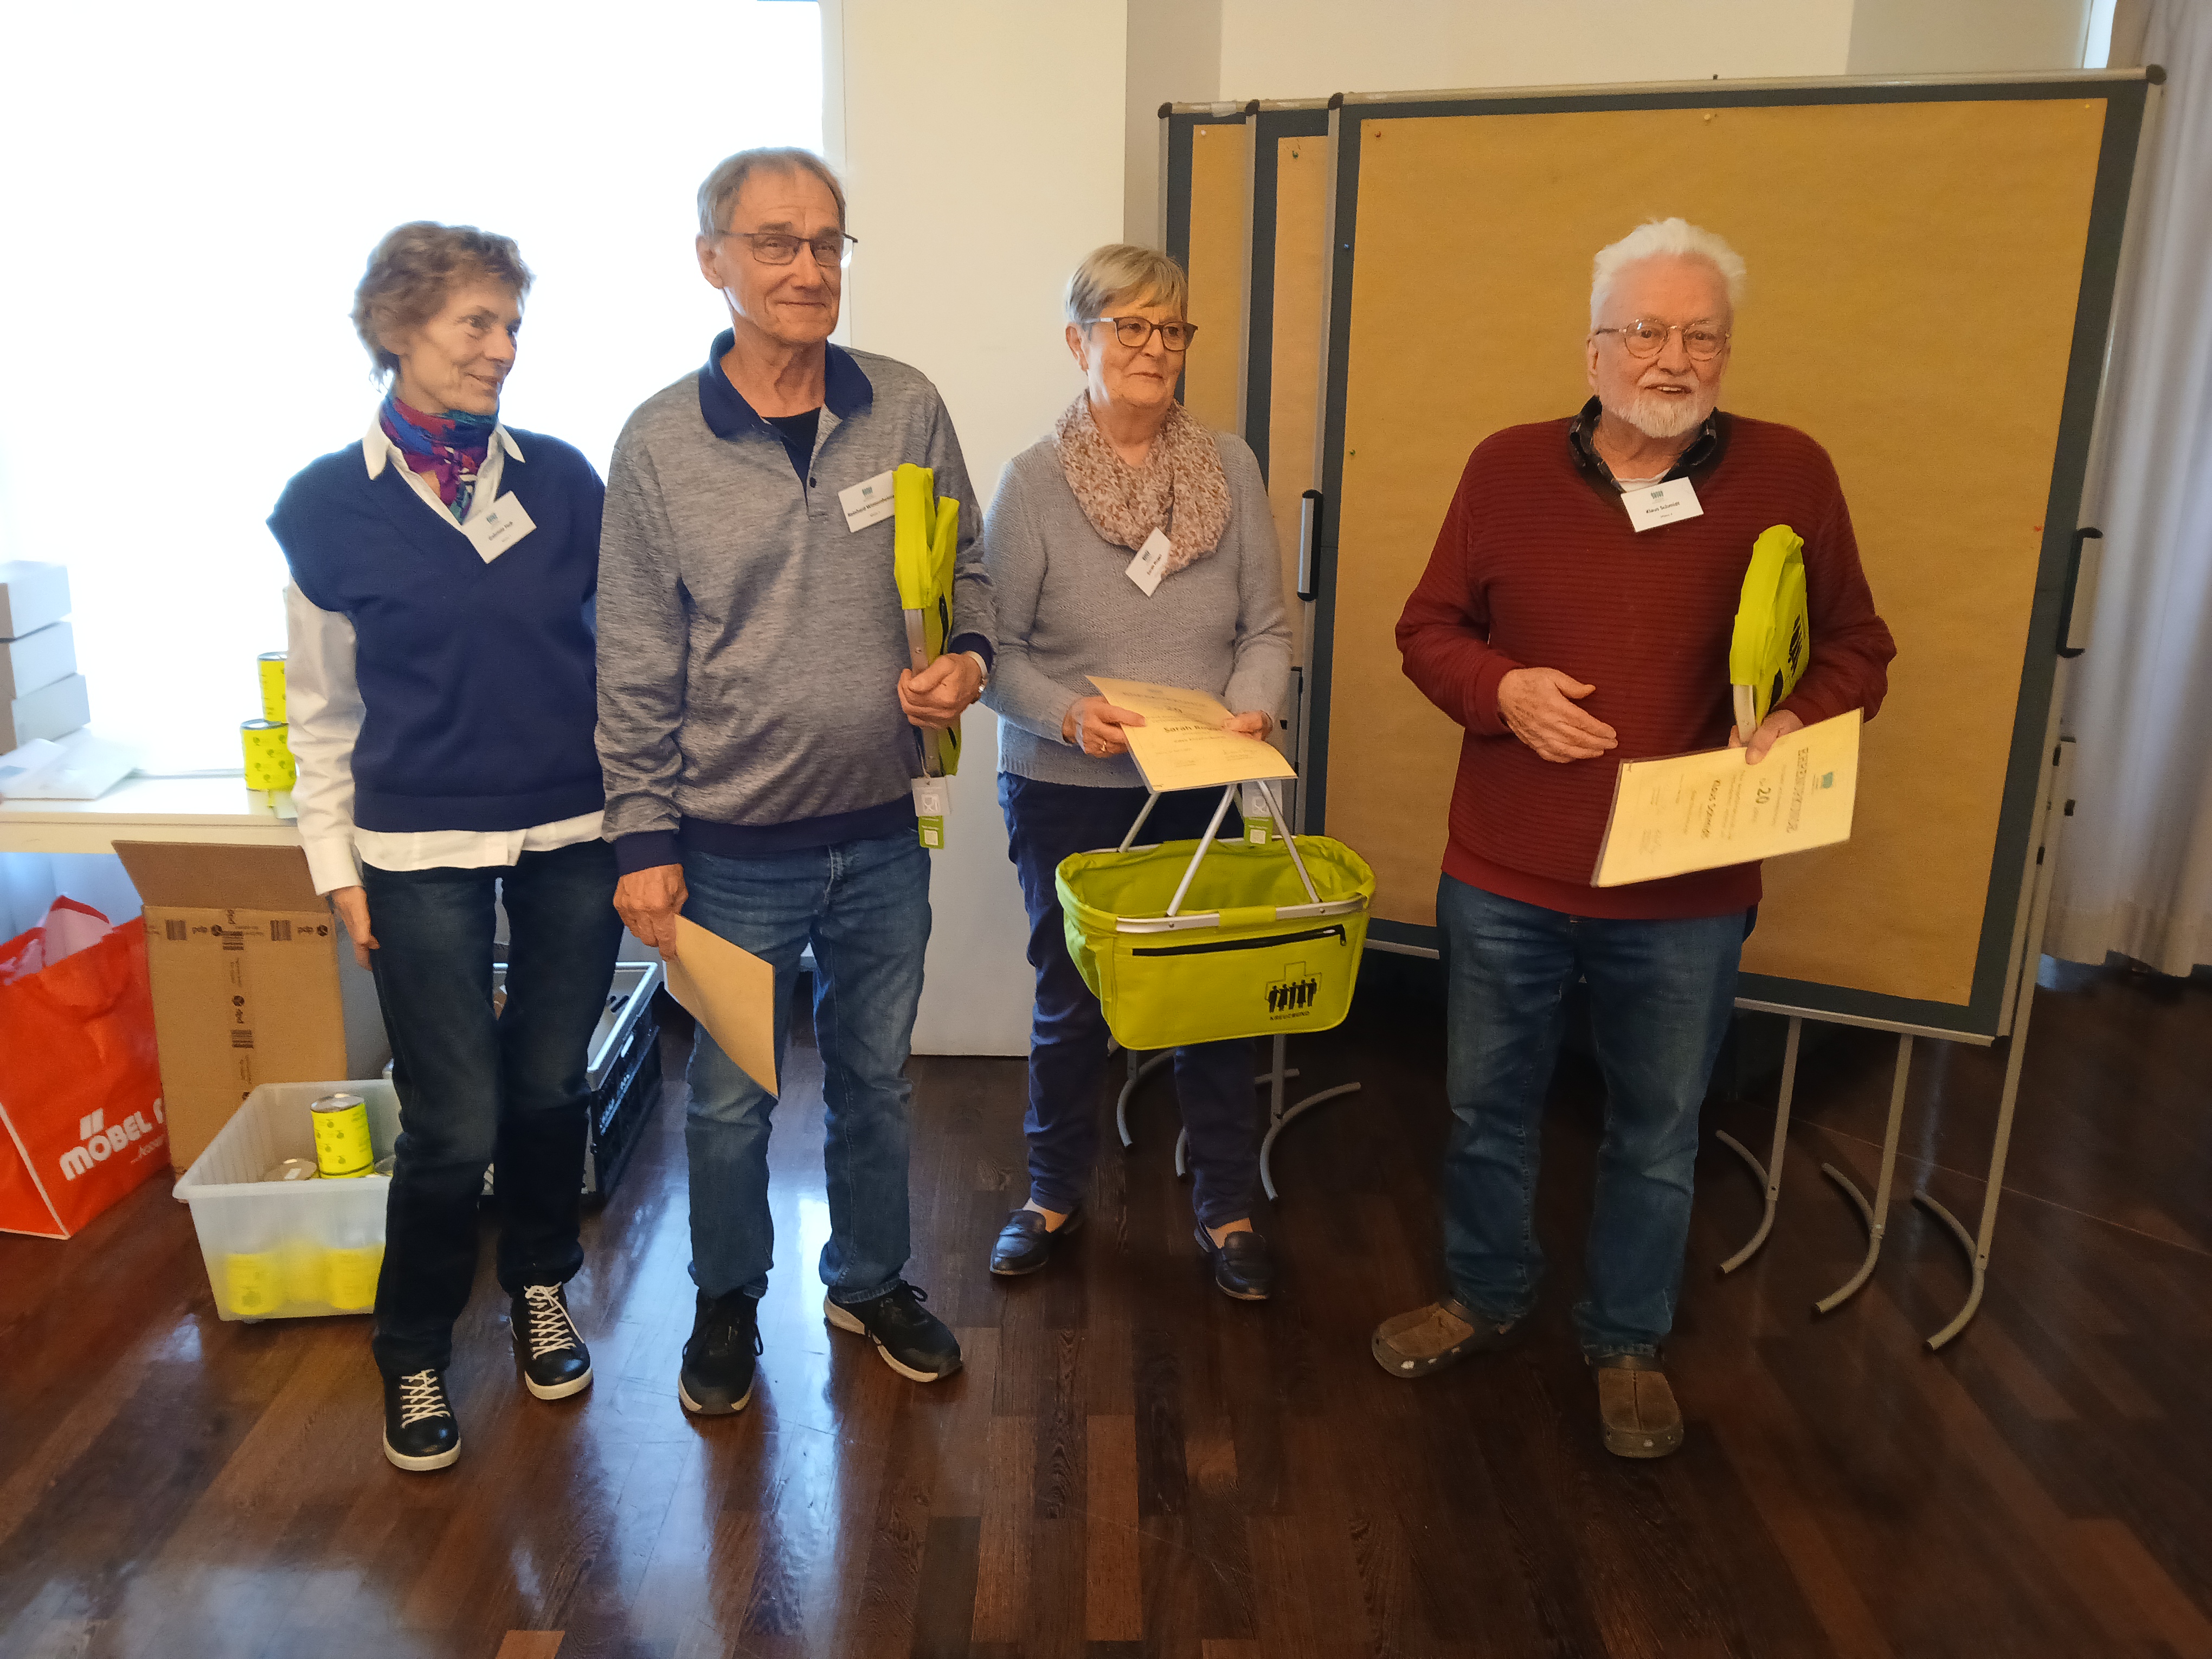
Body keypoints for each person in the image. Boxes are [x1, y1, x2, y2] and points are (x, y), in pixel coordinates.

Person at [1373, 218, 1896, 1457]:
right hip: (1505, 872)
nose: (1674, 359)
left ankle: (1625, 1339)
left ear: (1728, 351)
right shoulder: (1504, 468)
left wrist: (1799, 717)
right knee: (1485, 1110)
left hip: (1687, 886)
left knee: (1658, 1133)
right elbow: (1428, 629)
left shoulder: (1792, 471)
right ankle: (1486, 1294)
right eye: (1648, 331)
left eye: (1701, 335)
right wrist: (1502, 690)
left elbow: (1859, 648)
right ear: (1595, 348)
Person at [595, 148, 995, 1414]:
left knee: (878, 1081)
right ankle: (726, 1300)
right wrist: (641, 840)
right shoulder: (659, 444)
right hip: (728, 846)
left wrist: (969, 660)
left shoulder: (906, 406)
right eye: (776, 243)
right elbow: (634, 658)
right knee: (728, 1104)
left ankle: (869, 1281)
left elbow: (969, 572)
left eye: (828, 241)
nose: (809, 267)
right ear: (712, 260)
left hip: (884, 832)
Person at [271, 223, 623, 1473]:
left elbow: (624, 663)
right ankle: (413, 1344)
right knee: (454, 1122)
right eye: (478, 322)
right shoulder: (326, 508)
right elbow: (320, 712)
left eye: (512, 324)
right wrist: (335, 869)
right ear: (396, 329)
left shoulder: (564, 482)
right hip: (412, 844)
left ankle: (539, 1286)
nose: (503, 349)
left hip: (574, 830)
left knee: (551, 1090)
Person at [980, 244, 1291, 1299]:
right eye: (1130, 326)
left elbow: (1266, 629)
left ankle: (1227, 1208)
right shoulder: (1032, 482)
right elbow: (994, 656)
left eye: (1171, 328)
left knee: (1214, 999)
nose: (1155, 347)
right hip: (1069, 787)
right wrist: (1071, 714)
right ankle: (1050, 1193)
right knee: (1071, 1000)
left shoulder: (1231, 468)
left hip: (1203, 783)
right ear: (1080, 342)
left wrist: (1255, 707)